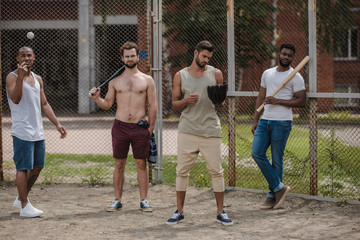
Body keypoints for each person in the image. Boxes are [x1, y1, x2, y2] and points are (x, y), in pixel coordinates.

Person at [166, 40, 233, 226]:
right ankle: (179, 211)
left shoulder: (216, 74)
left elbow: (220, 103)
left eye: (209, 58)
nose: (206, 60)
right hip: (187, 129)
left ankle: (221, 212)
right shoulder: (180, 76)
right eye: (203, 56)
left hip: (210, 129)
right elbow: (174, 105)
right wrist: (186, 100)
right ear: (195, 53)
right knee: (182, 171)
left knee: (217, 172)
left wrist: (220, 99)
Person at [89, 41, 157, 212]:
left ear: (137, 56)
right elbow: (107, 104)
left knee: (141, 164)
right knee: (119, 164)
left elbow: (153, 105)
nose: (130, 59)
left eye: (133, 55)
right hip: (120, 126)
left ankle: (144, 200)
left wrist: (150, 128)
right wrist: (97, 98)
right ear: (122, 58)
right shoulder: (115, 81)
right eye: (127, 56)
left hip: (140, 127)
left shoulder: (147, 80)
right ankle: (117, 200)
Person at [6, 46, 67, 217]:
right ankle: (24, 207)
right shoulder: (11, 77)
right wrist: (20, 77)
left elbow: (44, 104)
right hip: (22, 130)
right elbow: (16, 99)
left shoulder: (37, 78)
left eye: (29, 55)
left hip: (37, 130)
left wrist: (57, 124)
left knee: (38, 166)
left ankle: (20, 198)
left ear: (34, 58)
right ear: (17, 58)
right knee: (23, 167)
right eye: (22, 55)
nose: (26, 58)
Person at [251, 43, 306, 210]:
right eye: (283, 54)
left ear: (292, 58)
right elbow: (261, 97)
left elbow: (302, 101)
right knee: (257, 153)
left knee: (277, 159)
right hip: (265, 120)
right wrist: (255, 120)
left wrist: (278, 101)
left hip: (282, 122)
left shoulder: (295, 76)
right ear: (279, 54)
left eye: (289, 55)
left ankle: (271, 196)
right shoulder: (267, 73)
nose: (286, 57)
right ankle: (279, 188)